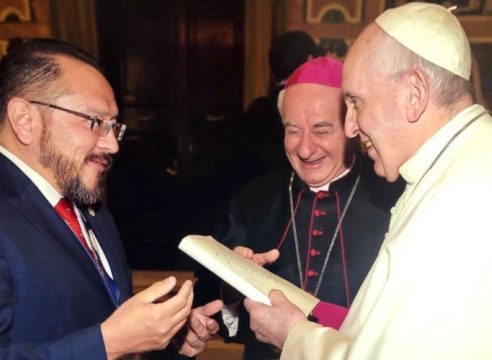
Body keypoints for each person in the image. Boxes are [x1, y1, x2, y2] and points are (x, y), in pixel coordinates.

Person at [243, 2, 492, 359]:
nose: (351, 127)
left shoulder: (464, 202)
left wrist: (294, 335)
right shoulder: (452, 171)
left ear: (414, 94)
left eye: (357, 103)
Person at [0, 38, 223, 359]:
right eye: (94, 122)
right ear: (25, 120)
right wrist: (109, 342)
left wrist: (166, 340)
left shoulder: (89, 206)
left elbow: (100, 317)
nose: (113, 145)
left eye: (113, 127)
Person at [194, 56, 403, 360]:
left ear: (353, 126)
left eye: (321, 130)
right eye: (293, 130)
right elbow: (214, 314)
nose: (304, 149)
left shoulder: (395, 202)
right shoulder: (251, 201)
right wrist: (233, 290)